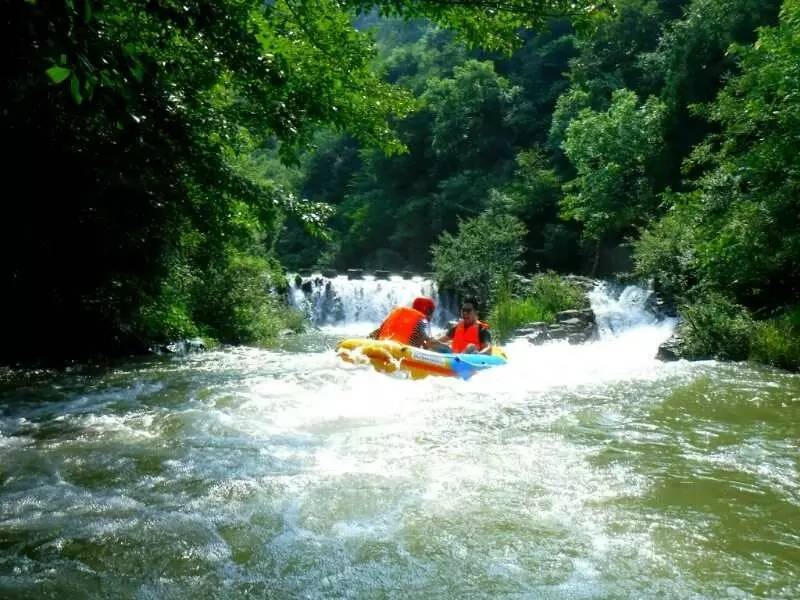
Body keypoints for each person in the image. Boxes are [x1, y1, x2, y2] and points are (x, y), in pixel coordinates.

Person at [367, 296, 445, 350]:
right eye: (431, 313)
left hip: (381, 346)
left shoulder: (398, 313)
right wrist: (447, 349)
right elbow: (429, 343)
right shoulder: (422, 321)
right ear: (428, 311)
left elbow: (374, 334)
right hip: (403, 351)